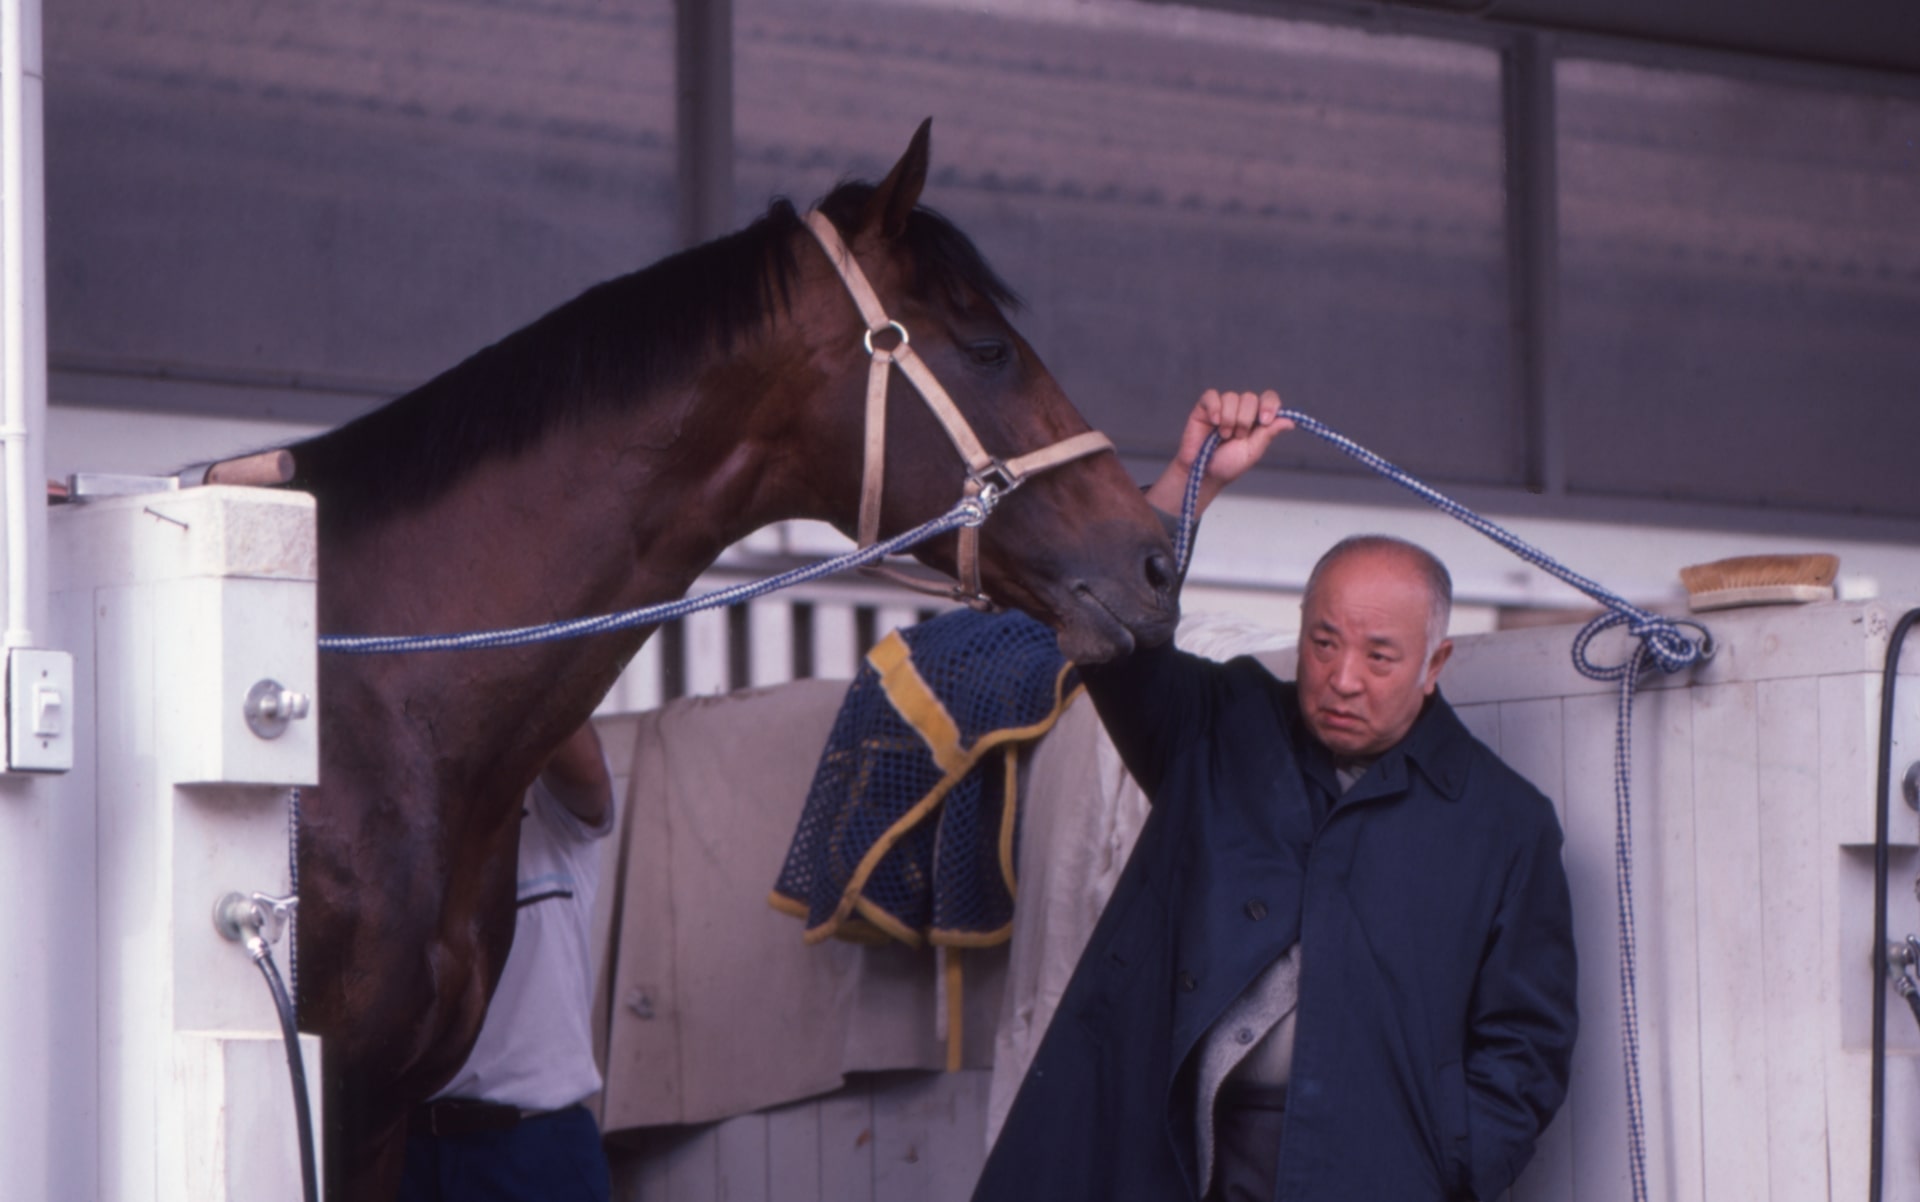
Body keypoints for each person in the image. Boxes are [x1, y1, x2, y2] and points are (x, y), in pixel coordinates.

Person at [971, 390, 1577, 1202]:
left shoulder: (1501, 822)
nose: (1342, 678)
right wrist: (1193, 481)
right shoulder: (1219, 729)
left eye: (1381, 656)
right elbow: (1114, 639)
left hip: (1373, 1171)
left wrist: (1446, 1167)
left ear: (1436, 665)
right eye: (1322, 642)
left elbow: (1526, 1044)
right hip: (1179, 1155)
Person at [399, 721, 618, 1202]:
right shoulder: (406, 808)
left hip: (536, 1148)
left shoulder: (553, 808)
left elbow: (588, 776)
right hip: (407, 1150)